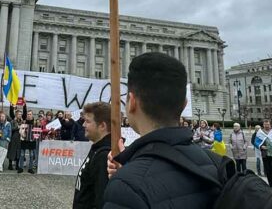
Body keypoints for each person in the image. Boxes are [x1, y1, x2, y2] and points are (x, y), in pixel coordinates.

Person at [104, 52, 223, 208]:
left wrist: (126, 178)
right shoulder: (219, 166)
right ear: (184, 104)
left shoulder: (126, 187)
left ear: (132, 102)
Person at [73, 102, 111, 209]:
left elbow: (102, 201)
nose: (83, 125)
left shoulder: (104, 156)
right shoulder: (96, 148)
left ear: (102, 126)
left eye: (88, 121)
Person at [18, 105, 39, 174]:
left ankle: (30, 168)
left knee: (31, 155)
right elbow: (20, 130)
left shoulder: (35, 122)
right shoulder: (23, 121)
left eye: (30, 114)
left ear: (32, 115)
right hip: (24, 140)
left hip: (32, 141)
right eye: (28, 114)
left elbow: (37, 132)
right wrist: (22, 134)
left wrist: (34, 138)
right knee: (22, 154)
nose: (29, 115)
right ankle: (20, 168)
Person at [7, 106, 23, 170]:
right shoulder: (12, 121)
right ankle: (10, 165)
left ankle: (17, 165)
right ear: (16, 115)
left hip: (20, 138)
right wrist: (17, 127)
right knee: (11, 151)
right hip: (13, 138)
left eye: (21, 114)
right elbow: (11, 129)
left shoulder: (22, 121)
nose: (20, 115)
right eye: (19, 114)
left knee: (18, 152)